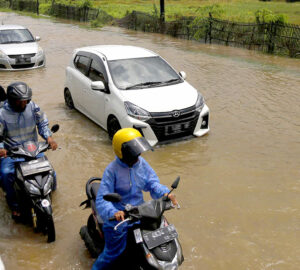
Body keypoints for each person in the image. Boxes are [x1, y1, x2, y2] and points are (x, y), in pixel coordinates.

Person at [92, 128, 178, 270]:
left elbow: (152, 183)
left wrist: (165, 194)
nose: (137, 156)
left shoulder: (142, 164)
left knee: (161, 238)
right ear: (122, 152)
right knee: (112, 254)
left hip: (141, 212)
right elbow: (102, 198)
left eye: (138, 152)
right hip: (120, 218)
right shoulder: (111, 170)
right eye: (133, 153)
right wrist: (114, 212)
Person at [0, 82, 58, 218]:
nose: (23, 104)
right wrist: (1, 149)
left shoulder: (32, 107)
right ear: (12, 100)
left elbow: (42, 123)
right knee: (6, 174)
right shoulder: (2, 114)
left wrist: (49, 138)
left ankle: (50, 197)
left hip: (33, 150)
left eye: (25, 100)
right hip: (12, 154)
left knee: (51, 172)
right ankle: (14, 205)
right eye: (20, 101)